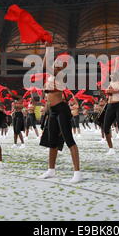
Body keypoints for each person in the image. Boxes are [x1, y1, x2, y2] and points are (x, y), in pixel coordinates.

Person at [38, 42, 82, 183]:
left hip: (62, 110)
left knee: (69, 140)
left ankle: (77, 173)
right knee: (52, 142)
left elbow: (46, 65)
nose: (55, 64)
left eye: (59, 62)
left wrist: (49, 49)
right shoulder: (51, 76)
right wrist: (47, 48)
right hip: (52, 111)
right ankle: (51, 170)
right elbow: (45, 65)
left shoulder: (61, 74)